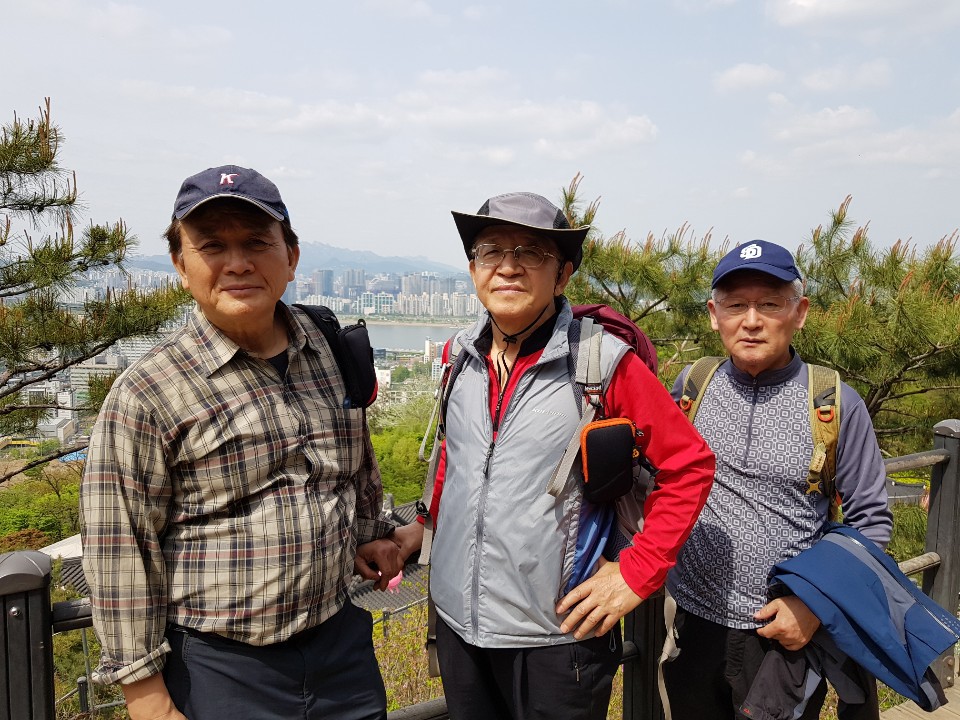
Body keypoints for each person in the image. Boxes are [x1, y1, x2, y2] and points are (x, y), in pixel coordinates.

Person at [80, 165, 402, 720]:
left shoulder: (329, 350)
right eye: (212, 246)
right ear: (180, 265)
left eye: (257, 242)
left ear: (291, 257)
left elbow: (355, 464)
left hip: (341, 647)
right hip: (219, 667)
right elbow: (119, 547)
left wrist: (369, 534)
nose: (237, 263)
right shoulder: (149, 391)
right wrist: (148, 700)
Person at [391, 192, 716, 720]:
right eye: (491, 250)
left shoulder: (602, 364)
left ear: (562, 275)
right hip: (458, 625)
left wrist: (637, 572)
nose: (508, 266)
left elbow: (690, 466)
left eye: (531, 252)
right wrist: (424, 526)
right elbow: (457, 457)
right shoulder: (459, 357)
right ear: (473, 268)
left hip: (558, 638)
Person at [661, 239, 893, 719]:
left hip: (784, 633)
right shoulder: (692, 385)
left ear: (799, 312)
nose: (751, 321)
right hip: (693, 621)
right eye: (735, 305)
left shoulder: (834, 402)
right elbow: (659, 478)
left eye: (770, 304)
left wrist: (813, 607)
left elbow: (871, 523)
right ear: (714, 314)